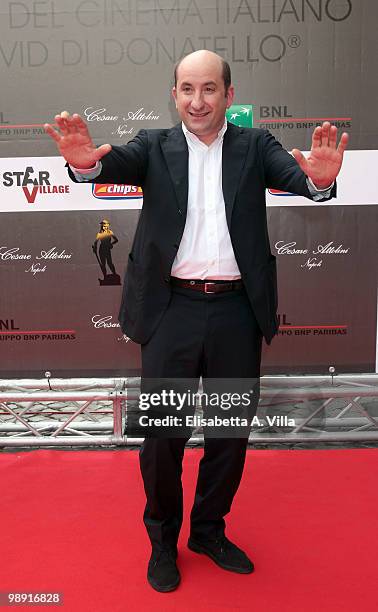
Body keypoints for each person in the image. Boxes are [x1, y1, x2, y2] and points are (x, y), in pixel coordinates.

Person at [44, 50, 348, 593]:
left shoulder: (257, 147)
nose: (197, 101)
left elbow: (301, 180)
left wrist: (320, 183)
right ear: (175, 94)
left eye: (209, 89)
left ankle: (208, 530)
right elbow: (105, 166)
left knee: (228, 435)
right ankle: (162, 541)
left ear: (229, 96)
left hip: (236, 312)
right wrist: (85, 163)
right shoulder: (152, 146)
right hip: (169, 311)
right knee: (163, 437)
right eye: (187, 89)